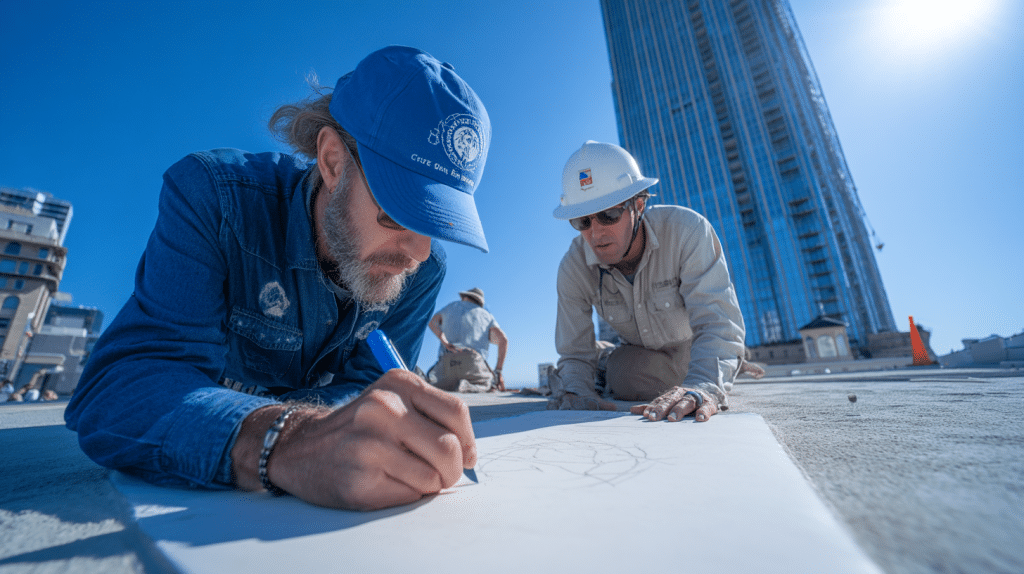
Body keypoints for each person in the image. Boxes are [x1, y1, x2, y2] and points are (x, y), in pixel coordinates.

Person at [65, 46, 492, 511]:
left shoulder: (424, 269)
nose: (417, 253)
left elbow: (372, 384)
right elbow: (120, 392)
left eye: (435, 223)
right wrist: (286, 439)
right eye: (395, 212)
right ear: (332, 161)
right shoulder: (214, 201)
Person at [549, 141, 746, 423]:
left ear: (638, 205)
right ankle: (608, 361)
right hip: (639, 358)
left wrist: (703, 386)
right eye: (582, 221)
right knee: (625, 378)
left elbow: (718, 323)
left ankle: (608, 360)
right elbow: (574, 351)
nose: (596, 233)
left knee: (676, 375)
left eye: (609, 214)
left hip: (692, 346)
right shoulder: (574, 266)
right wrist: (576, 393)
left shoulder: (687, 232)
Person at [427, 287, 508, 392]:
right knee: (489, 385)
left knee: (434, 383)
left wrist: (445, 342)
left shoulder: (450, 306)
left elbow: (432, 323)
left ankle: (448, 384)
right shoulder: (486, 315)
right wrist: (498, 371)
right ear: (479, 301)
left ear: (465, 297)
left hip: (447, 362)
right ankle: (468, 386)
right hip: (473, 363)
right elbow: (503, 340)